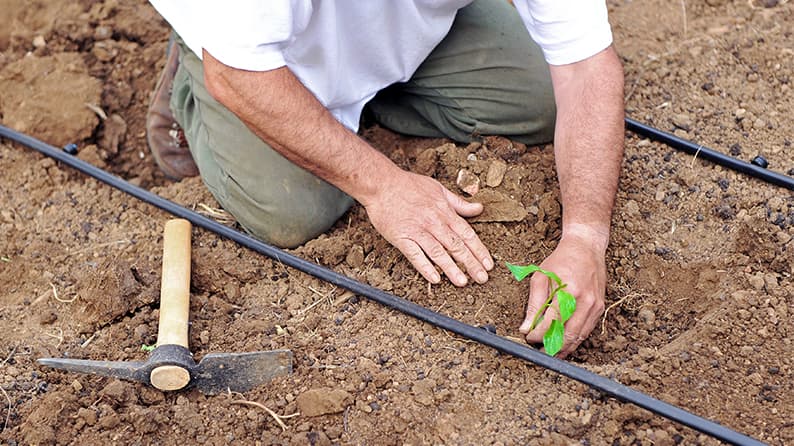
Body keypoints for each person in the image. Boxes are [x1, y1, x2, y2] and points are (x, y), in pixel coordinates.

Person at [146, 0, 624, 358]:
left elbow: (586, 69)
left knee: (536, 100)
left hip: (395, 22)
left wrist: (585, 235)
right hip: (248, 51)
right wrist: (383, 185)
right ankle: (191, 72)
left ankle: (359, 93)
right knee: (294, 210)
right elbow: (237, 75)